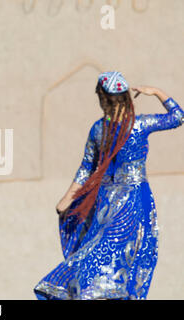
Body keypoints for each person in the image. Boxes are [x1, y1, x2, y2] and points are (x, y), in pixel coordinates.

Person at [34, 71, 183, 300]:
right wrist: (67, 199)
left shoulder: (134, 125)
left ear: (103, 98)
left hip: (129, 203)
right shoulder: (105, 128)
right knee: (97, 251)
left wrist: (156, 92)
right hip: (110, 202)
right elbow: (88, 167)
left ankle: (95, 293)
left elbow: (178, 118)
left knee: (106, 251)